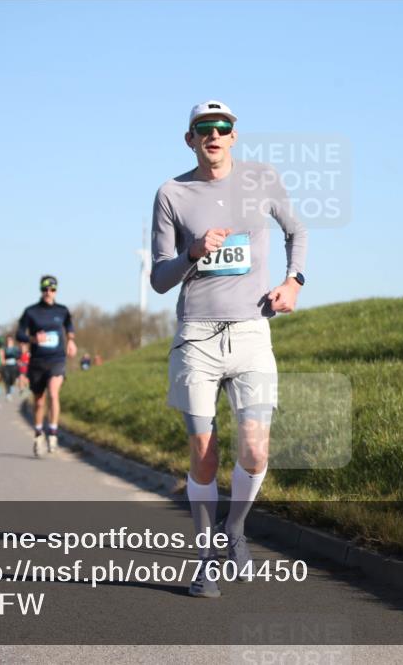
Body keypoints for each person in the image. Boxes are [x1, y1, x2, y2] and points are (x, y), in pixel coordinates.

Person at [150, 100, 308, 598]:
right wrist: (192, 253)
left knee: (256, 450)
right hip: (197, 337)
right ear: (190, 138)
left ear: (234, 136)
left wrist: (294, 281)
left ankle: (234, 529)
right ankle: (204, 561)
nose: (213, 134)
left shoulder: (262, 179)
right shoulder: (171, 193)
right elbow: (159, 278)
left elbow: (296, 230)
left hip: (251, 333)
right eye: (204, 128)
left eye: (222, 127)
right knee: (204, 453)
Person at [16, 275, 77, 457]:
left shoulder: (62, 311)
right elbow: (19, 334)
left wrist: (71, 341)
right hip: (37, 362)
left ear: (56, 291)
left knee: (53, 392)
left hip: (57, 359)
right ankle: (38, 434)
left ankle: (53, 432)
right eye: (45, 289)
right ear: (41, 290)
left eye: (52, 289)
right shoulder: (31, 312)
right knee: (39, 401)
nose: (48, 292)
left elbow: (70, 327)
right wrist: (33, 338)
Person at [2, 335, 22, 401]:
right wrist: (3, 360)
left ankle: (11, 389)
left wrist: (18, 361)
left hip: (14, 366)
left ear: (12, 341)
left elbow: (19, 356)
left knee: (12, 379)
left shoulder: (16, 349)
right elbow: (2, 356)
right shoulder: (4, 348)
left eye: (10, 340)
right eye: (7, 340)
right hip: (6, 366)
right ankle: (8, 394)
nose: (8, 341)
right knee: (7, 379)